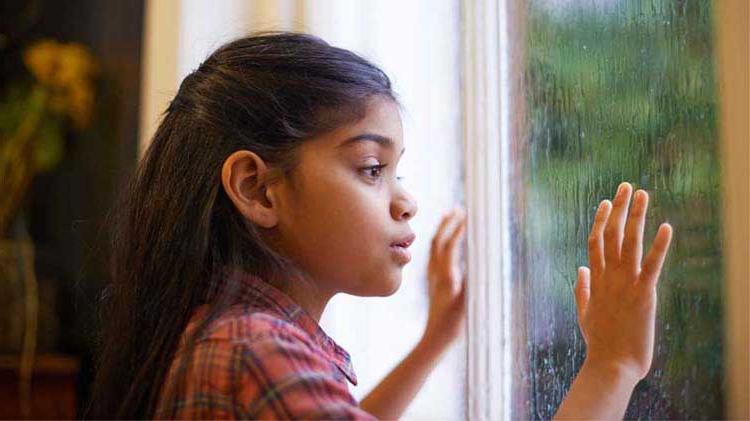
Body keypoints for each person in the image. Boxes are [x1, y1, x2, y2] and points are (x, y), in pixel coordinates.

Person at [86, 32, 673, 420]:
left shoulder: (225, 336)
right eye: (372, 168)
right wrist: (612, 366)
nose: (406, 201)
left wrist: (435, 340)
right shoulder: (253, 350)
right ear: (257, 188)